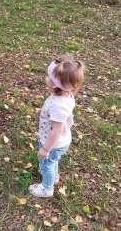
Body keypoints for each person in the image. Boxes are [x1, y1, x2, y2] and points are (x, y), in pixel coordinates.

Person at [28, 54, 85, 197]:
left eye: (48, 77)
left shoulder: (57, 106)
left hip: (54, 143)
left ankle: (46, 188)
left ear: (54, 84)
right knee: (53, 161)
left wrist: (46, 148)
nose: (45, 79)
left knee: (46, 163)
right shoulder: (67, 95)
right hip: (59, 142)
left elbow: (57, 131)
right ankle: (53, 177)